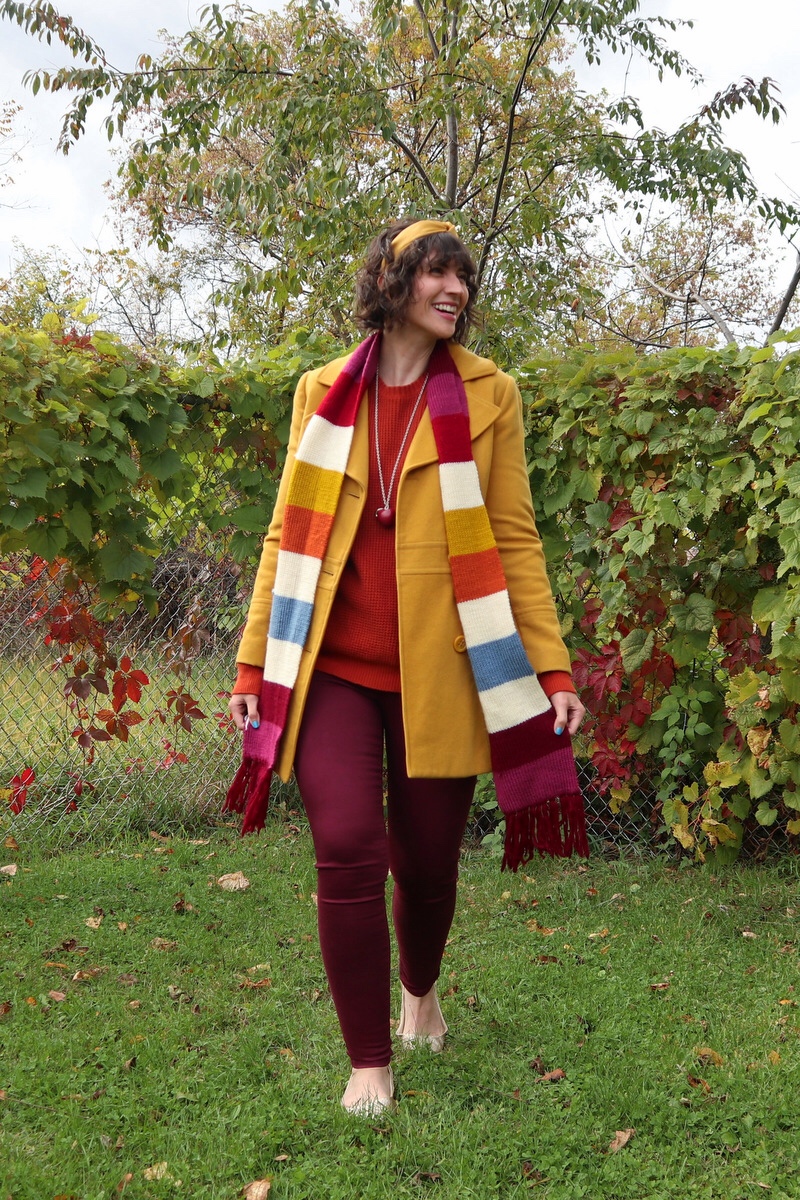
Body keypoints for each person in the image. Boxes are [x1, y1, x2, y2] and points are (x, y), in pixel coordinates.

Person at [226, 218, 587, 1116]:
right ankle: (369, 1062)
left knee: (427, 865)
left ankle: (420, 991)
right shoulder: (322, 391)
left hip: (449, 669)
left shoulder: (489, 394)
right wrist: (249, 665)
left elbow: (513, 536)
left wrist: (552, 670)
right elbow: (288, 533)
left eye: (462, 276)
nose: (455, 289)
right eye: (436, 272)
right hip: (334, 670)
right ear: (392, 283)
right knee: (348, 845)